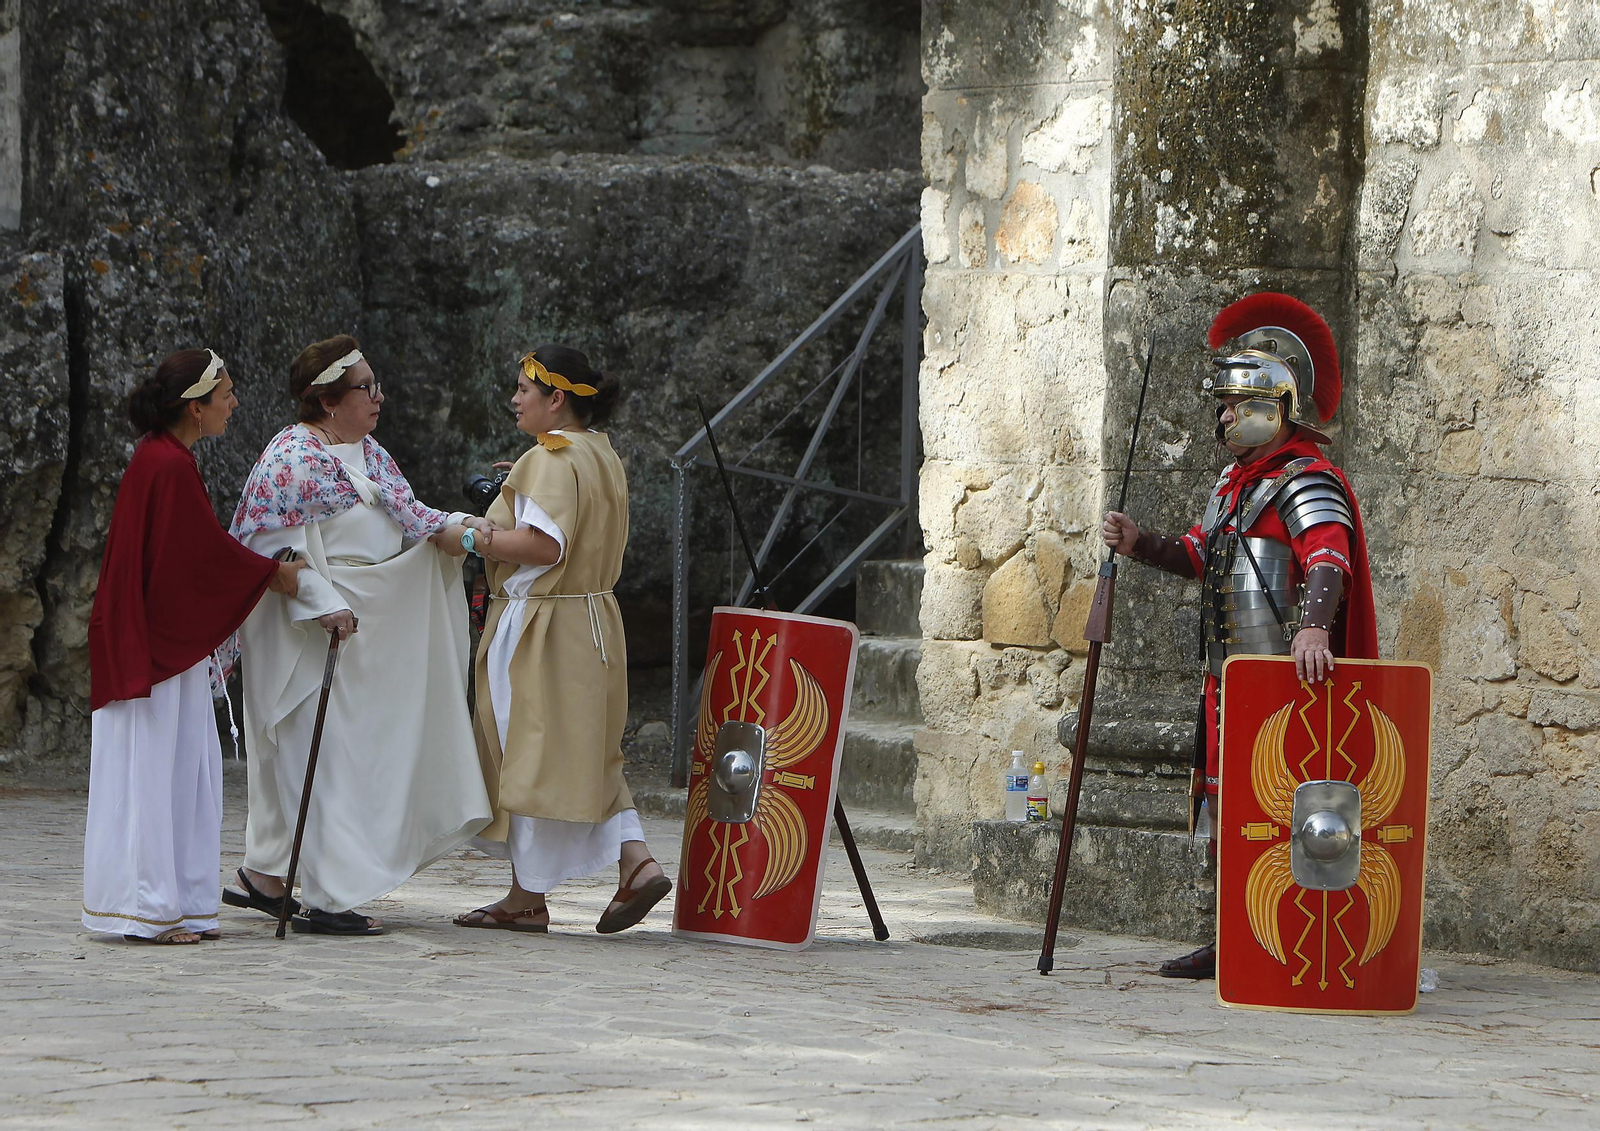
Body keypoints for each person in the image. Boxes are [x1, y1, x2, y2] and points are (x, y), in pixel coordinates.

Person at [1100, 293, 1378, 980]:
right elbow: (1202, 554)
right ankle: (1231, 938)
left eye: (1232, 405)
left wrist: (1313, 628)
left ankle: (1287, 938)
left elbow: (1330, 556)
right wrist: (1142, 543)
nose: (1222, 417)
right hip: (1228, 679)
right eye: (1222, 405)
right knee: (1227, 804)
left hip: (1286, 679)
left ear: (1272, 407)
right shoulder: (1233, 484)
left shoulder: (1306, 479)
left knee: (1284, 807)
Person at [225, 335, 491, 935]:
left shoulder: (370, 453)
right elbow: (269, 549)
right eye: (365, 388)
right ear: (327, 400)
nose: (378, 396)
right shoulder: (291, 457)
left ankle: (266, 876)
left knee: (329, 758)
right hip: (309, 630)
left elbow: (409, 516)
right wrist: (322, 602)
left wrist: (467, 528)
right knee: (321, 759)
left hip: (365, 624)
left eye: (376, 385)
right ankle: (328, 894)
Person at [438, 345, 670, 935]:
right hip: (592, 619)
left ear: (556, 398)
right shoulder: (601, 453)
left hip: (544, 623)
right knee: (581, 751)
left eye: (524, 389)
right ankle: (626, 863)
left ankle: (536, 894)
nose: (515, 400)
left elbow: (544, 547)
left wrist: (472, 537)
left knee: (530, 751)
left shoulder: (549, 457)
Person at [83, 349, 307, 944]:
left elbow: (189, 554)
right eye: (226, 395)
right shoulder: (167, 465)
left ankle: (178, 904)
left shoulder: (163, 457)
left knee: (178, 774)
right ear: (195, 407)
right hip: (153, 649)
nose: (234, 404)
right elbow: (201, 557)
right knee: (157, 778)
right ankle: (151, 911)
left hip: (158, 643)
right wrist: (272, 574)